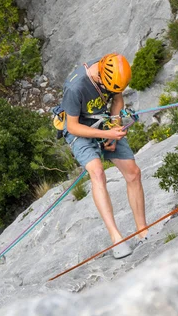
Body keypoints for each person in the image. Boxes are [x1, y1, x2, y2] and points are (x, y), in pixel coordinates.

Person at [61, 53, 148, 259]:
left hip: (105, 123)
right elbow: (72, 127)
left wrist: (115, 129)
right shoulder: (76, 87)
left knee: (133, 173)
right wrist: (106, 134)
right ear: (100, 76)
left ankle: (142, 230)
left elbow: (117, 101)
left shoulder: (114, 74)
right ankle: (116, 238)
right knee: (98, 173)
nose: (113, 92)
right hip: (80, 130)